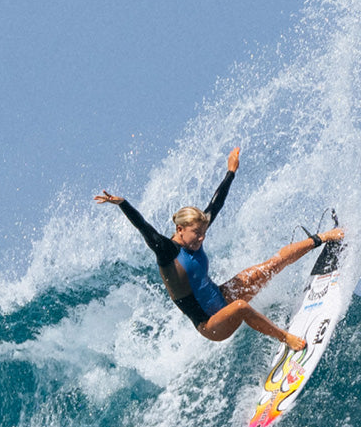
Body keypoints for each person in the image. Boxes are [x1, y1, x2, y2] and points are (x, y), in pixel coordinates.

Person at [95, 147, 343, 351]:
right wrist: (122, 204)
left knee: (269, 265)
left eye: (204, 232)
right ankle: (286, 339)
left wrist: (231, 171)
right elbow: (144, 227)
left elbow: (217, 202)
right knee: (241, 307)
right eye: (197, 233)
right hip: (211, 325)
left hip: (222, 295)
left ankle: (324, 237)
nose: (202, 238)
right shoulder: (166, 251)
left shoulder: (197, 231)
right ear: (180, 229)